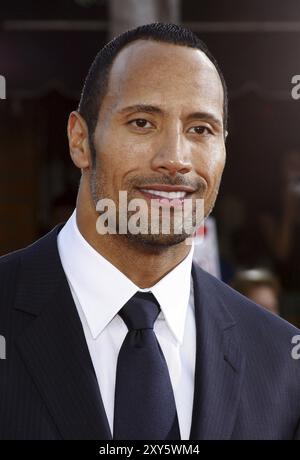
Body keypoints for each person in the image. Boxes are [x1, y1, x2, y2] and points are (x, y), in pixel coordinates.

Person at [1, 23, 300, 441]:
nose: (175, 160)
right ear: (80, 140)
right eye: (142, 122)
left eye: (200, 129)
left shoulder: (282, 361)